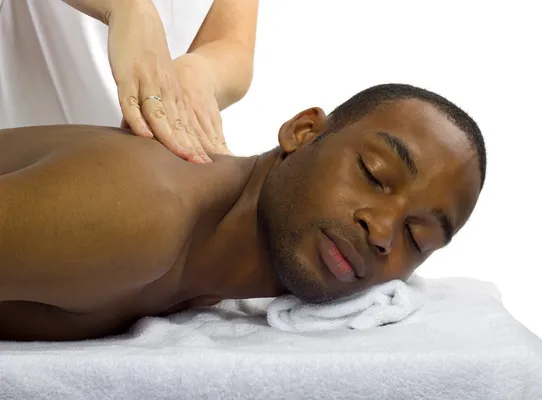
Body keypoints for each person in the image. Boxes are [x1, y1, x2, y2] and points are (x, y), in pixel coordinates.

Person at [0, 83, 486, 341]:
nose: (381, 232)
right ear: (303, 132)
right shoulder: (144, 214)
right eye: (375, 174)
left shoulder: (204, 280)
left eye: (418, 238)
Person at [0, 0, 258, 162]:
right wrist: (128, 7)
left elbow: (232, 42)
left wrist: (198, 71)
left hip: (152, 167)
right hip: (25, 144)